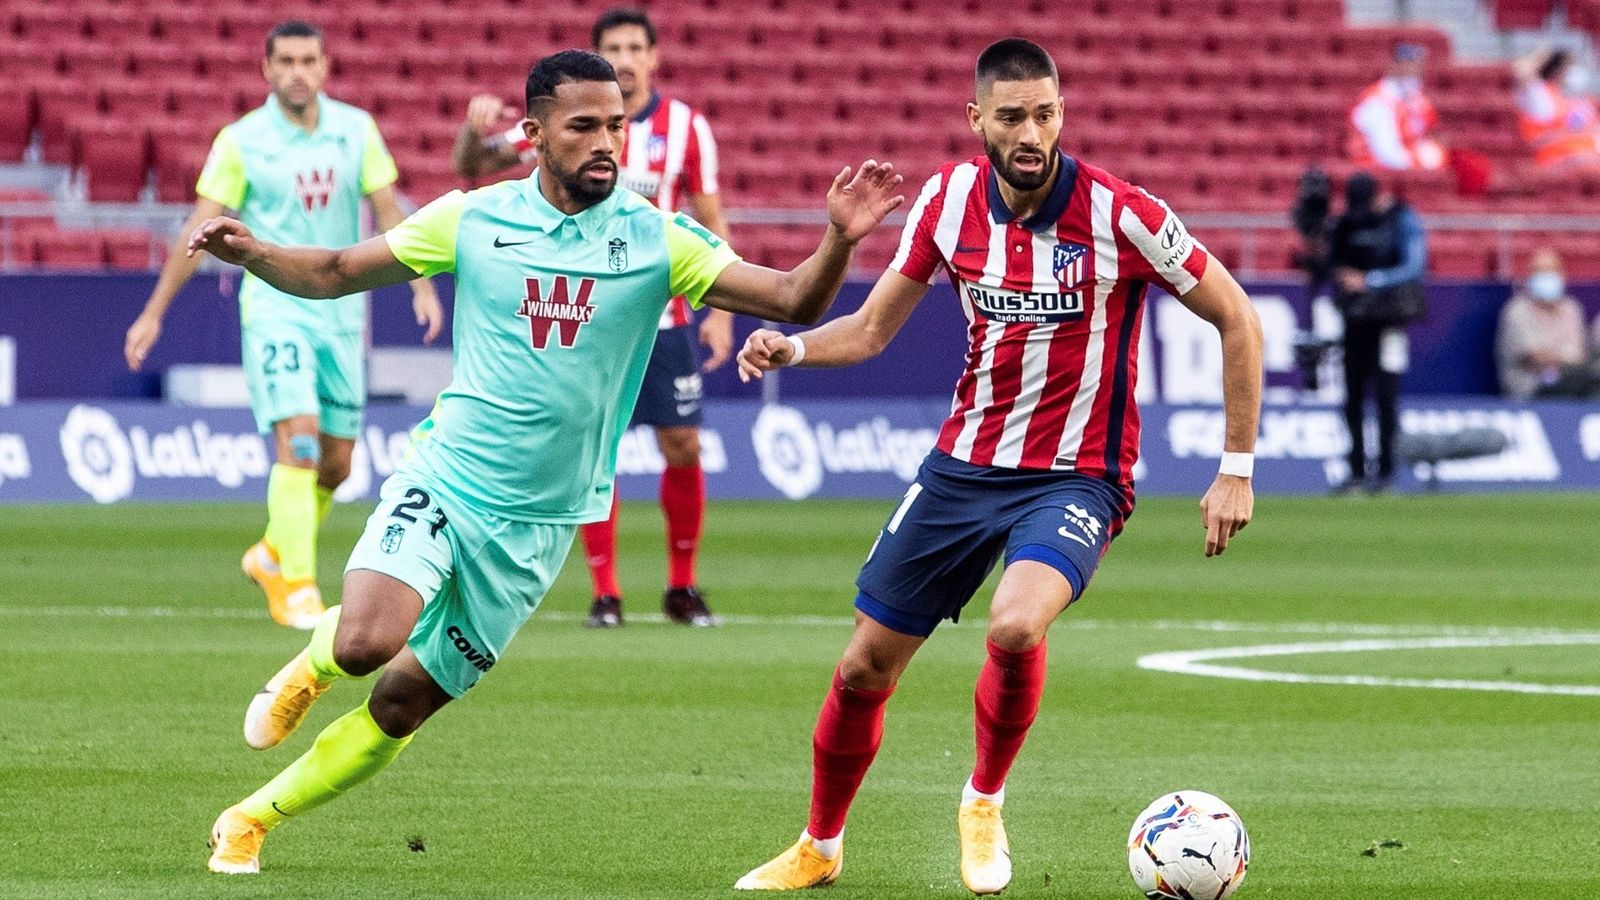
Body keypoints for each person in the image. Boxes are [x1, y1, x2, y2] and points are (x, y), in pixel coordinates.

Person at [196, 49, 904, 875]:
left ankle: (248, 819)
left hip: (541, 526)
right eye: (585, 127)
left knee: (400, 700)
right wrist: (254, 254)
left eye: (617, 126)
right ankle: (309, 667)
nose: (608, 142)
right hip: (448, 477)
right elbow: (336, 271)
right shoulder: (473, 217)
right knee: (363, 644)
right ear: (533, 134)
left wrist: (838, 242)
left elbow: (789, 299)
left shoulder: (656, 238)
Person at [731, 38, 1262, 895]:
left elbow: (1237, 316)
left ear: (1062, 114)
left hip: (1077, 474)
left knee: (1016, 625)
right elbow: (870, 330)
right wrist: (791, 346)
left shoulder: (1120, 213)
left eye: (1045, 113)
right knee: (865, 665)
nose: (1031, 131)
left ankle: (982, 801)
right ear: (976, 118)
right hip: (962, 467)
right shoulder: (943, 201)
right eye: (1011, 115)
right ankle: (819, 848)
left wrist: (1234, 466)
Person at [123, 21, 444, 630]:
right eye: (287, 61)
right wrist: (154, 312)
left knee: (337, 465)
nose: (298, 71)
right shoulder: (241, 141)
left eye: (309, 60)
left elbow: (387, 210)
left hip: (344, 312)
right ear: (267, 69)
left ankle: (273, 552)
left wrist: (421, 284)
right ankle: (296, 583)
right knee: (297, 440)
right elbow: (201, 227)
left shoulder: (357, 131)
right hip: (275, 309)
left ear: (325, 67)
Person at [454, 7, 733, 628]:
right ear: (600, 55)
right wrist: (474, 133)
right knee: (593, 451)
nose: (628, 58)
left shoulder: (687, 127)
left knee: (682, 444)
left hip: (664, 320)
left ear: (654, 57)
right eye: (615, 47)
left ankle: (681, 587)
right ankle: (605, 593)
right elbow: (476, 164)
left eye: (637, 47)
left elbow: (710, 218)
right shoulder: (564, 126)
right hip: (584, 314)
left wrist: (719, 312)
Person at [1328, 172, 1428, 493]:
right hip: (1355, 319)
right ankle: (1356, 470)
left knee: (1386, 397)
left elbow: (1413, 267)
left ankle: (1386, 473)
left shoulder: (1401, 220)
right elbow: (1332, 262)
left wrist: (1369, 280)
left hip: (1389, 320)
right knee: (1353, 397)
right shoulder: (1346, 224)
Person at [1497, 248, 1592, 399]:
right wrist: (1566, 360)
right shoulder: (1517, 311)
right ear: (1529, 277)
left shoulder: (1571, 308)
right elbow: (1535, 358)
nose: (1547, 277)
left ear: (1562, 275)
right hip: (1531, 389)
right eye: (1540, 272)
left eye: (1551, 271)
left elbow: (1579, 354)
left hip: (1571, 383)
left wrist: (1560, 360)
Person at [1348, 42, 1447, 171]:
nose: (1415, 71)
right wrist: (1421, 161)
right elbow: (1387, 154)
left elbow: (1430, 135)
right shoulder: (1376, 101)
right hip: (1373, 172)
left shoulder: (1416, 100)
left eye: (1418, 64)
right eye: (1409, 64)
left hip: (1404, 168)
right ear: (1395, 66)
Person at [1513, 48, 1600, 170]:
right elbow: (1522, 72)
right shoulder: (1537, 92)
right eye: (1569, 66)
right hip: (1556, 156)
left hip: (1579, 150)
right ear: (1556, 70)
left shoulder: (1560, 93)